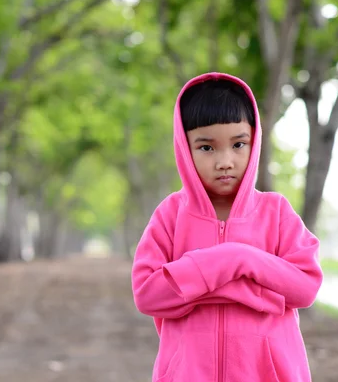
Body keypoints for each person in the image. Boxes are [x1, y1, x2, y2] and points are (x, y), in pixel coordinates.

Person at [131, 72, 323, 382]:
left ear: (254, 141)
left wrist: (241, 258)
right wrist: (238, 270)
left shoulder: (276, 212)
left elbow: (305, 288)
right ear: (185, 147)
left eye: (238, 144)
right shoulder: (169, 215)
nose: (225, 161)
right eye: (207, 148)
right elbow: (147, 296)